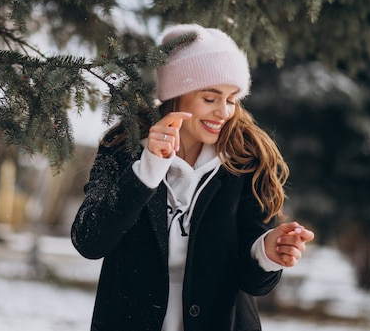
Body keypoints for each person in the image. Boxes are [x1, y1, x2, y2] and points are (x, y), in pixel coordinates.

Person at [71, 23, 315, 331]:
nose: (224, 112)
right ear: (176, 95)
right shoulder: (122, 148)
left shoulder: (247, 161)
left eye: (231, 99)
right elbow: (89, 241)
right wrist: (147, 171)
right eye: (210, 98)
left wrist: (265, 251)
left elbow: (254, 284)